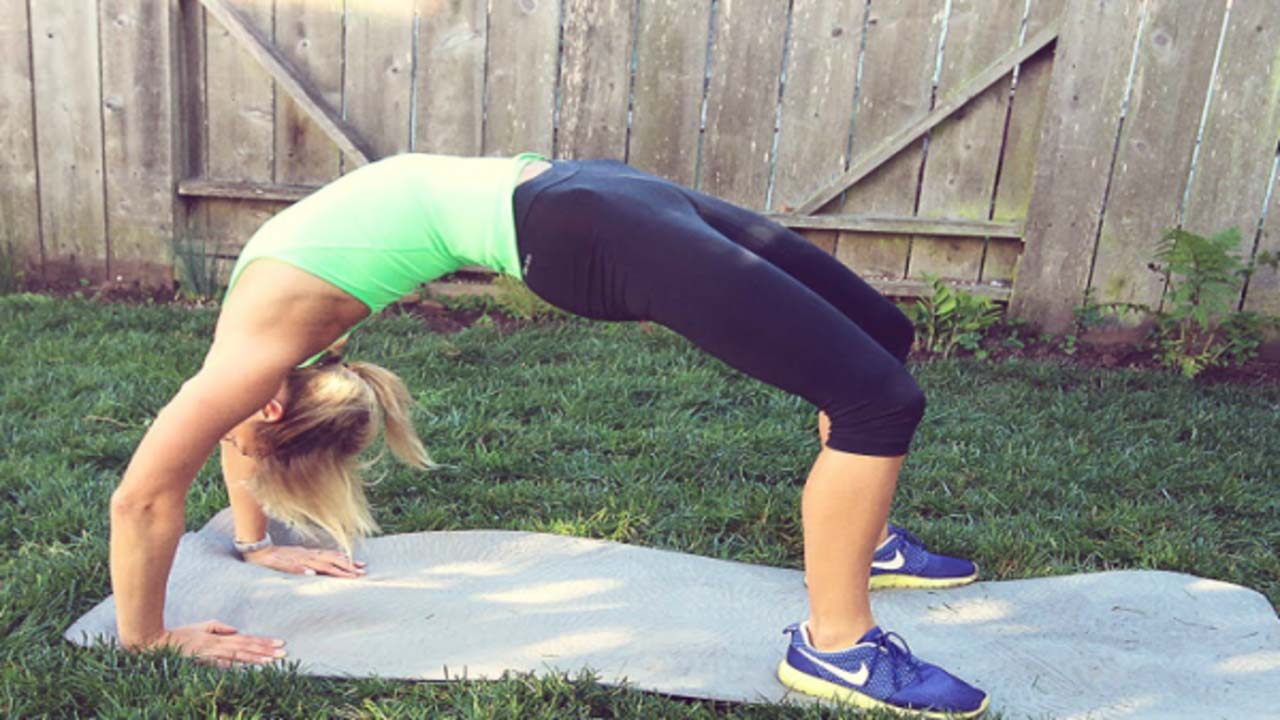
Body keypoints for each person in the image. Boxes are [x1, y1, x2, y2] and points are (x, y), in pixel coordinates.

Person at [109, 153, 988, 717]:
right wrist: (254, 545)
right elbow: (230, 438)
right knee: (881, 401)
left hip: (593, 198)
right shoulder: (261, 348)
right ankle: (835, 646)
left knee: (883, 337)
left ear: (265, 408)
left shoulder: (257, 362)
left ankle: (861, 540)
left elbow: (143, 496)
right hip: (582, 218)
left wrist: (156, 628)